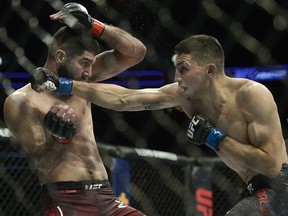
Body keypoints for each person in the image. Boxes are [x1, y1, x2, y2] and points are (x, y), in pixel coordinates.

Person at [30, 34, 288, 215]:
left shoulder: (252, 94)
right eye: (176, 68)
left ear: (210, 70)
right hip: (256, 188)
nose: (177, 77)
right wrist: (65, 84)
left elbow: (271, 165)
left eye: (184, 68)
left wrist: (215, 137)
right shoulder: (184, 95)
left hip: (281, 185)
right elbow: (125, 99)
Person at [3, 2, 147, 216]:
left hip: (106, 197)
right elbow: (42, 163)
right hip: (67, 199)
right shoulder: (22, 101)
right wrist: (60, 138)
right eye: (84, 62)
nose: (89, 72)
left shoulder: (81, 81)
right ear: (60, 56)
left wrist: (94, 26)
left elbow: (136, 53)